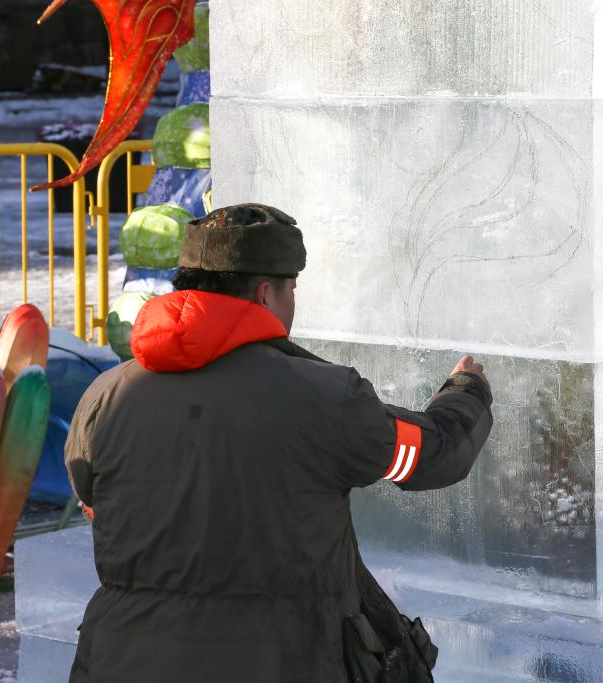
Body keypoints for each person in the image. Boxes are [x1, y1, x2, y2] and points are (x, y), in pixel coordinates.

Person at [65, 203, 493, 682]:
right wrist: (465, 393)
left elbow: (96, 502)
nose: (292, 304)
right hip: (280, 661)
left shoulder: (105, 395)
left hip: (121, 661)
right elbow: (426, 458)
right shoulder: (323, 395)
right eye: (292, 290)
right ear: (266, 293)